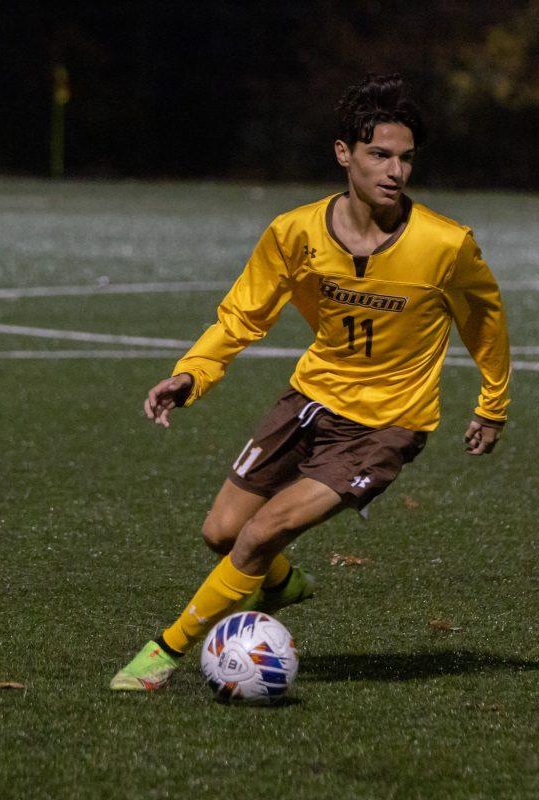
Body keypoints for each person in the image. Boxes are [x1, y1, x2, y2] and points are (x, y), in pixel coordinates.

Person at [110, 73, 511, 691]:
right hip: (312, 400)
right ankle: (281, 582)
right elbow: (244, 314)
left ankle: (163, 653)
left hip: (386, 425)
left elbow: (484, 318)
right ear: (343, 153)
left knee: (262, 532)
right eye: (380, 154)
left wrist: (492, 403)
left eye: (406, 158)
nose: (395, 171)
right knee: (221, 533)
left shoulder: (445, 245)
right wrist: (192, 374)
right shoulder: (294, 232)